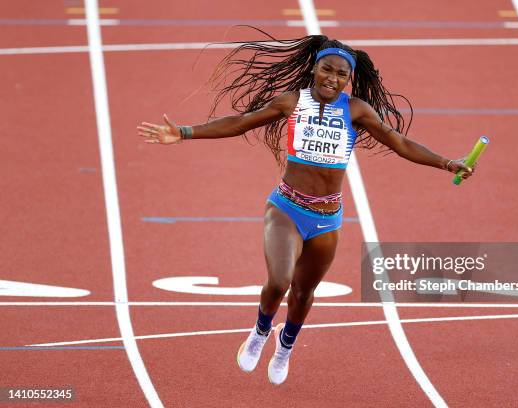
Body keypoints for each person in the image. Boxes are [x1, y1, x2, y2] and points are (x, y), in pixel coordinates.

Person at [137, 32, 474, 385]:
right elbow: (241, 123)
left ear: (349, 79)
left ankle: (285, 346)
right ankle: (259, 332)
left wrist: (448, 163)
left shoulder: (356, 110)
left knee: (303, 293)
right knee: (280, 281)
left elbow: (399, 141)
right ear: (314, 69)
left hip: (327, 219)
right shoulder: (292, 102)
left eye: (341, 75)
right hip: (286, 209)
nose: (333, 78)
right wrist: (186, 132)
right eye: (327, 70)